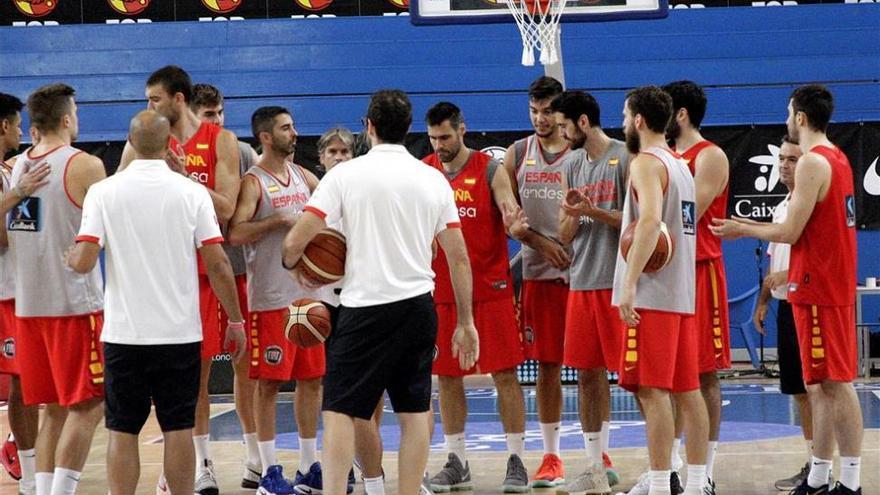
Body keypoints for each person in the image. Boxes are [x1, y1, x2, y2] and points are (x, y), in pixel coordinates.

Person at [281, 89, 479, 495]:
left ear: (367, 127)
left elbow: (294, 243)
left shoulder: (343, 176)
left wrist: (299, 267)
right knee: (414, 412)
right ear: (408, 129)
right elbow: (458, 257)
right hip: (418, 308)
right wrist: (466, 321)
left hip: (364, 309)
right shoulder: (433, 178)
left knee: (338, 411)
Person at [65, 110, 245, 495]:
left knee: (122, 428)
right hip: (179, 334)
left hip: (124, 335)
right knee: (178, 426)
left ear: (130, 143)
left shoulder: (104, 192)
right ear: (169, 146)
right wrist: (235, 320)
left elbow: (82, 262)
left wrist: (69, 255)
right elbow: (218, 263)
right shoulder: (192, 192)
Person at [711, 84, 863, 495]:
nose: (785, 120)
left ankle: (849, 482)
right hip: (824, 282)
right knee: (821, 386)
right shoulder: (838, 158)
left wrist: (741, 227)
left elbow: (790, 230)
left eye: (787, 113)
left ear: (800, 117)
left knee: (835, 384)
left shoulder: (815, 162)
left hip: (818, 283)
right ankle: (820, 476)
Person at [120, 65, 241, 495]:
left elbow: (226, 209)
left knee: (199, 381)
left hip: (204, 276)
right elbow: (120, 200)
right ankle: (180, 467)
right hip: (158, 275)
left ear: (177, 99)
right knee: (164, 388)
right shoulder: (142, 144)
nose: (148, 107)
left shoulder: (221, 142)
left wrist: (182, 180)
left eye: (154, 99)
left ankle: (201, 464)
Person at [423, 101, 531, 494]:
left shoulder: (490, 169)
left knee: (505, 375)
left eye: (446, 137)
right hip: (442, 293)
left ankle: (517, 459)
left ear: (463, 130)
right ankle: (457, 460)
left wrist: (513, 220)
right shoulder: (426, 171)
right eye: (434, 138)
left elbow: (508, 208)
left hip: (492, 290)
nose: (440, 145)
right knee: (447, 378)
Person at [8, 83, 107, 495]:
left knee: (52, 410)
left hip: (29, 308)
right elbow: (110, 232)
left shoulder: (18, 167)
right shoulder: (84, 165)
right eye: (77, 113)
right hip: (74, 305)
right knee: (88, 405)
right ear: (67, 119)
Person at [613, 86, 709, 495]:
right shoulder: (681, 163)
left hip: (654, 296)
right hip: (681, 295)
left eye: (623, 115)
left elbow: (650, 222)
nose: (621, 122)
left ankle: (658, 483)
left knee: (652, 393)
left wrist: (630, 282)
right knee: (688, 392)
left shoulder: (645, 163)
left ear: (638, 120)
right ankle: (698, 483)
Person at [228, 106, 328, 495]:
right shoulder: (253, 182)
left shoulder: (305, 177)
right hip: (270, 299)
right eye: (286, 128)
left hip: (309, 297)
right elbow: (235, 233)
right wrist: (277, 222)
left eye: (294, 126)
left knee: (312, 380)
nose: (295, 133)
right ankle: (269, 470)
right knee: (268, 385)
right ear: (266, 136)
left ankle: (308, 465)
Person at [552, 90, 629, 493]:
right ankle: (595, 465)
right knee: (586, 377)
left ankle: (667, 465)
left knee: (639, 379)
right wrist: (571, 212)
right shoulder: (572, 164)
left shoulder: (626, 158)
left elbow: (638, 223)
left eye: (565, 126)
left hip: (620, 285)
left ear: (583, 122)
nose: (561, 135)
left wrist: (591, 211)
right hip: (582, 281)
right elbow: (566, 233)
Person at [501, 76, 574, 490]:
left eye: (547, 111)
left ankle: (598, 452)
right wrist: (537, 243)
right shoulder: (517, 153)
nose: (539, 119)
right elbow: (510, 219)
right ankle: (551, 456)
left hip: (584, 272)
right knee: (548, 366)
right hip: (539, 273)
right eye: (533, 111)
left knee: (591, 367)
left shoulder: (580, 152)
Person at [190, 82, 262, 489]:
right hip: (196, 274)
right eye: (207, 115)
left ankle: (254, 458)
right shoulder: (177, 151)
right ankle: (203, 464)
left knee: (246, 369)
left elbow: (239, 213)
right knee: (196, 374)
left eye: (218, 112)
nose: (214, 120)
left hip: (237, 271)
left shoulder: (242, 152)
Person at [663, 81, 730, 494]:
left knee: (703, 374)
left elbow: (688, 214)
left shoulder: (711, 156)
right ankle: (668, 469)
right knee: (667, 376)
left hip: (699, 269)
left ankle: (704, 474)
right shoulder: (665, 157)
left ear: (681, 114)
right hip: (667, 272)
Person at [316, 126, 390, 494]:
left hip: (364, 303)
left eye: (347, 152)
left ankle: (367, 465)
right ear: (321, 158)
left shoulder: (363, 191)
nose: (341, 157)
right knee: (338, 396)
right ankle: (348, 468)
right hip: (328, 304)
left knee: (368, 395)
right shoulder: (318, 196)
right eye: (334, 152)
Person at [750, 136, 815, 491]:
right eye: (783, 159)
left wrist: (788, 278)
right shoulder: (782, 207)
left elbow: (819, 260)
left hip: (808, 305)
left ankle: (826, 469)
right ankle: (813, 463)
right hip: (785, 307)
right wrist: (763, 300)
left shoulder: (811, 206)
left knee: (818, 391)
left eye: (793, 159)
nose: (786, 165)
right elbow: (777, 262)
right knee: (801, 393)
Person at [0, 92, 43, 495]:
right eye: (16, 124)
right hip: (2, 295)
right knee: (21, 382)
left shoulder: (9, 172)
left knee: (24, 382)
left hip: (14, 292)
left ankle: (29, 470)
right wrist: (18, 195)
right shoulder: (15, 182)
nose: (19, 131)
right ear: (4, 126)